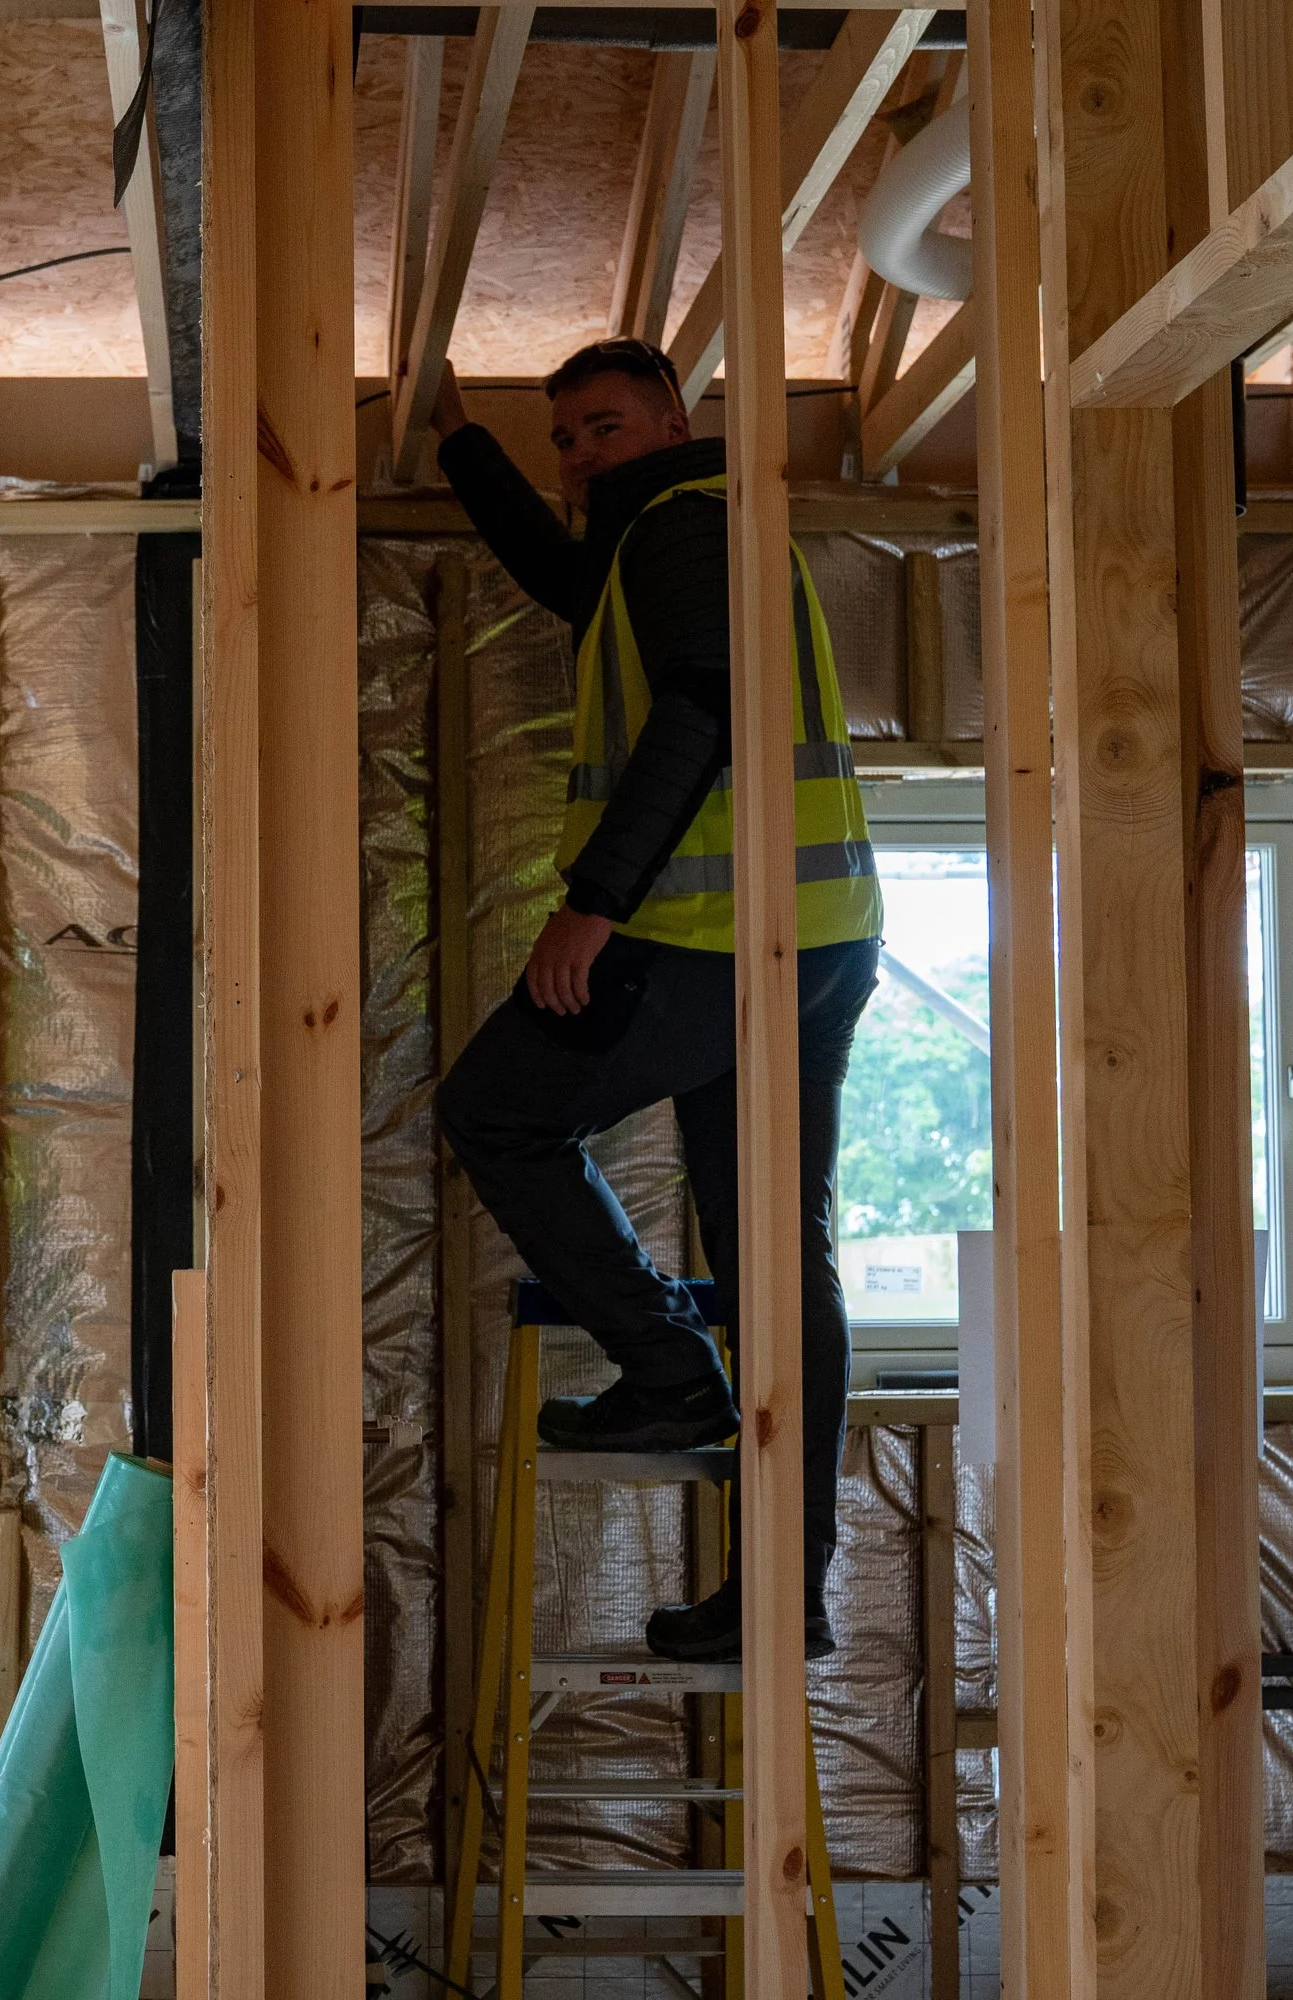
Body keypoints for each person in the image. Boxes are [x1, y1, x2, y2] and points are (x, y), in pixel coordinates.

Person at [428, 339, 884, 1662]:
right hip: (807, 939)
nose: (577, 456)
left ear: (673, 419)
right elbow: (561, 575)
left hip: (706, 937)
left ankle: (669, 1370)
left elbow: (704, 706)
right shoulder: (666, 534)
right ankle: (781, 1595)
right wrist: (465, 441)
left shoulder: (685, 527)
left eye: (602, 427)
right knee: (774, 1262)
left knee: (498, 1110)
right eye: (562, 436)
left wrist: (594, 899)